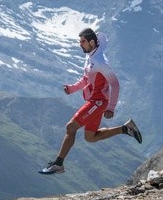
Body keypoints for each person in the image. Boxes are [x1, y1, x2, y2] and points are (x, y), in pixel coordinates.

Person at [39, 28, 142, 175]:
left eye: (83, 41)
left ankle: (58, 164)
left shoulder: (101, 62)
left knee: (70, 127)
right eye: (79, 41)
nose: (80, 44)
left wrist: (111, 107)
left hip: (98, 102)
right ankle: (126, 129)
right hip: (94, 101)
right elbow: (86, 79)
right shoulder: (90, 57)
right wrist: (72, 88)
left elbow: (115, 84)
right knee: (90, 137)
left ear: (92, 42)